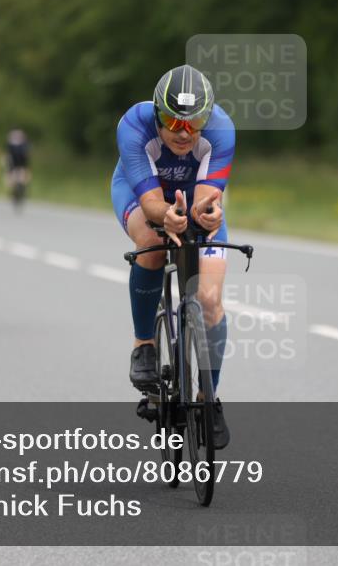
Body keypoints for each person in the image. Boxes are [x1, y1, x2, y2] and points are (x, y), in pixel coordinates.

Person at [112, 64, 235, 449]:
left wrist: (205, 214)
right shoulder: (134, 124)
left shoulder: (221, 129)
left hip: (193, 195)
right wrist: (166, 216)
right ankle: (143, 344)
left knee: (211, 300)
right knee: (150, 243)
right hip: (141, 193)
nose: (184, 134)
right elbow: (151, 203)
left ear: (207, 117)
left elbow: (203, 202)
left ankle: (208, 397)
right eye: (172, 122)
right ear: (156, 114)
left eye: (194, 123)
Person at [5, 128, 30, 197]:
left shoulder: (10, 138)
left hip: (13, 158)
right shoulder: (23, 137)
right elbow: (27, 152)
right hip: (22, 158)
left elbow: (8, 152)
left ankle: (13, 188)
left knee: (11, 172)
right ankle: (23, 186)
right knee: (23, 171)